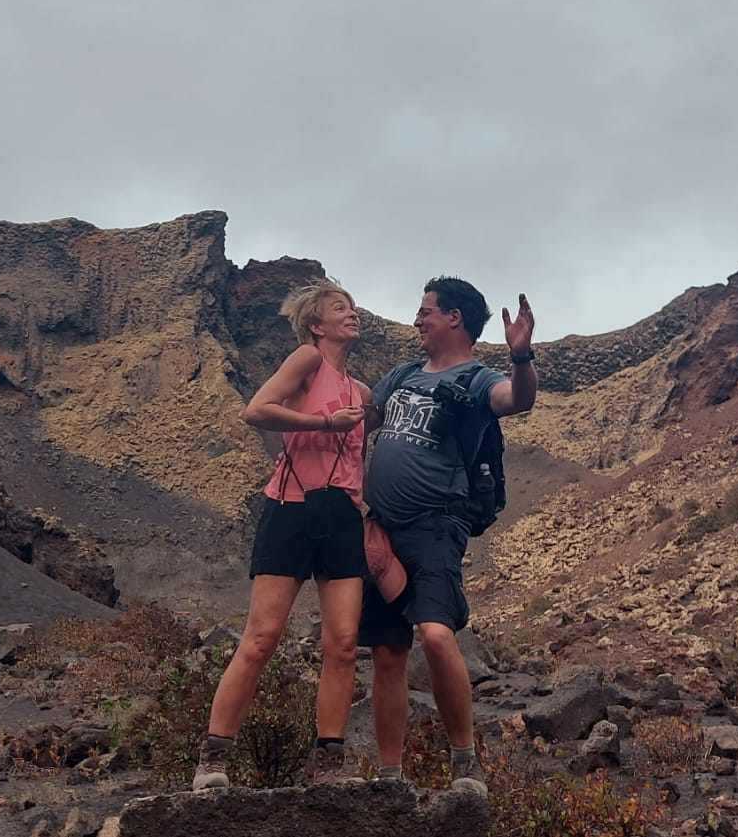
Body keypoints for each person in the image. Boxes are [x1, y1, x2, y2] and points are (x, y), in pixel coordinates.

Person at [360, 276, 536, 795]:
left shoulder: (478, 379)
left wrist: (522, 358)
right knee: (388, 652)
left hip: (436, 524)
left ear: (454, 318)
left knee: (435, 635)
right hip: (381, 530)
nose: (417, 320)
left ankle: (466, 764)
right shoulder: (402, 375)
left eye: (426, 311)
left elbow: (517, 400)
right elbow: (361, 422)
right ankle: (389, 778)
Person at [193, 279, 371, 790]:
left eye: (353, 306)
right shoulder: (306, 360)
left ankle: (329, 768)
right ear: (317, 325)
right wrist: (324, 423)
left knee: (342, 644)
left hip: (341, 515)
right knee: (262, 638)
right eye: (341, 307)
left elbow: (360, 455)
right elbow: (256, 410)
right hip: (290, 507)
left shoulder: (359, 390)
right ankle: (212, 760)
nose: (352, 314)